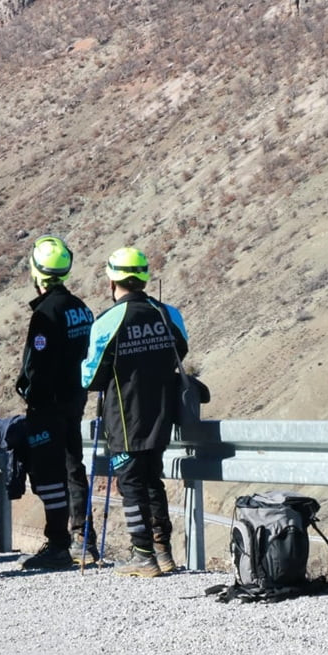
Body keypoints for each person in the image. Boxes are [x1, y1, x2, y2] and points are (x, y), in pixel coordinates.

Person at [80, 247, 189, 577]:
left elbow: (90, 377)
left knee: (130, 483)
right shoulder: (169, 313)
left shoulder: (107, 321)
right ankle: (163, 551)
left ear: (112, 280)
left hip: (124, 415)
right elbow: (180, 350)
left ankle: (142, 555)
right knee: (152, 478)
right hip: (161, 410)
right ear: (143, 276)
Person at [15, 236, 94, 569]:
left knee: (50, 472)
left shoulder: (46, 313)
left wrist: (31, 393)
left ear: (37, 272)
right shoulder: (81, 308)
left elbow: (38, 365)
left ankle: (59, 543)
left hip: (50, 404)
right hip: (75, 399)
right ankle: (83, 538)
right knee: (74, 466)